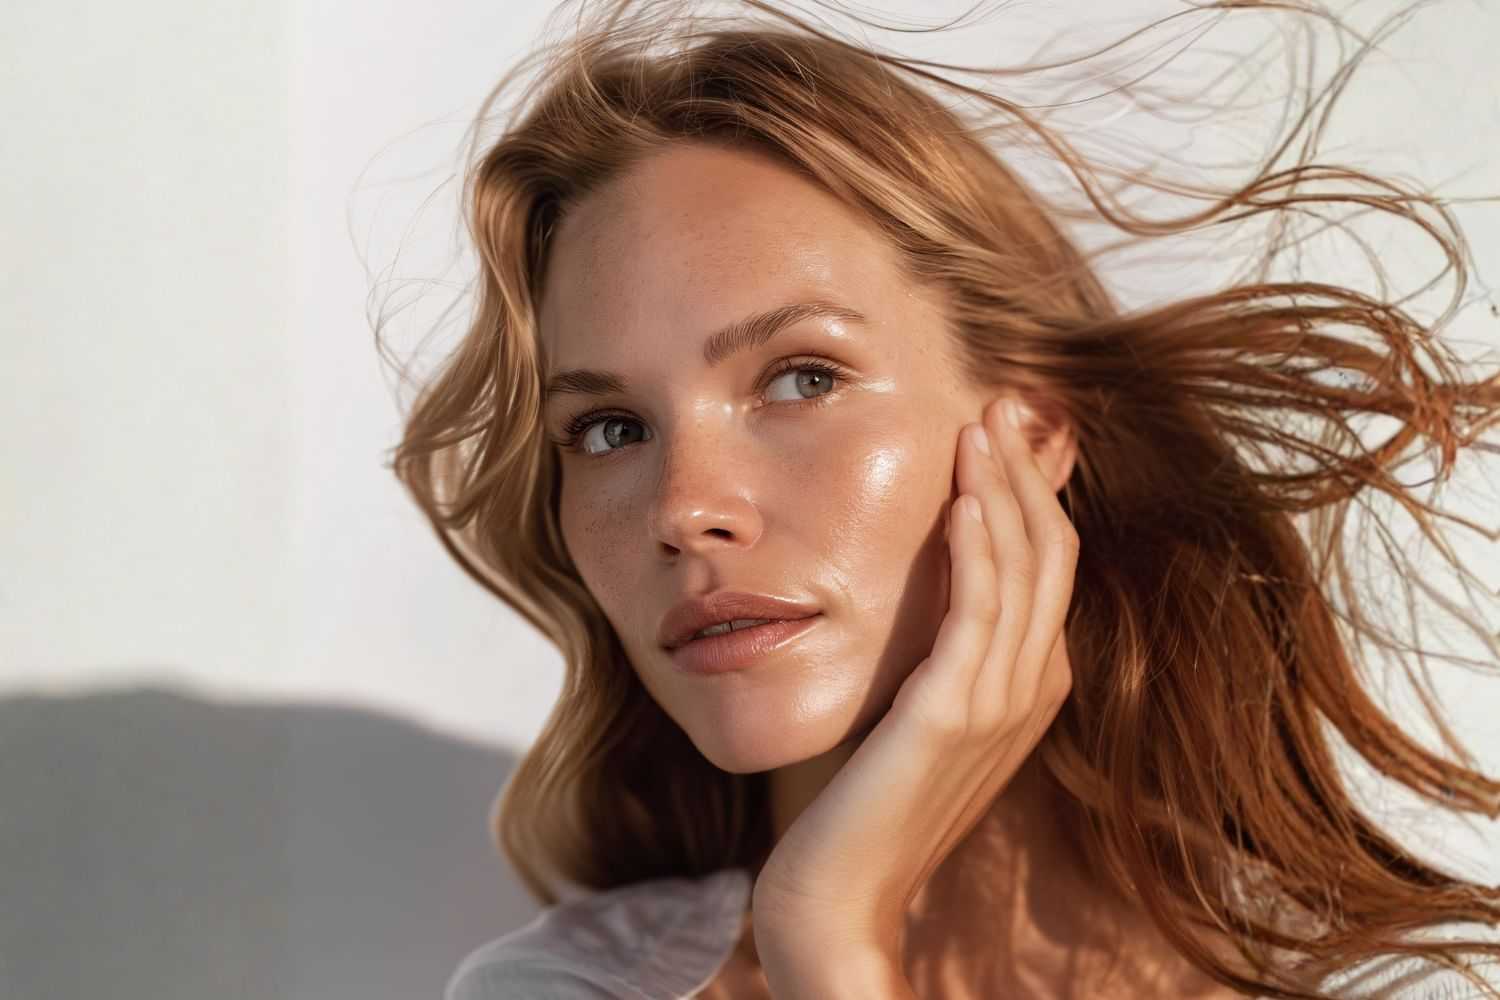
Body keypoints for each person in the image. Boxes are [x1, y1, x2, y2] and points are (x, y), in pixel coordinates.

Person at [374, 0, 1500, 996]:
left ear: (1034, 431)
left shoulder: (1377, 982)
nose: (685, 508)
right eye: (610, 429)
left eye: (802, 377)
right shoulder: (569, 989)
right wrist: (830, 933)